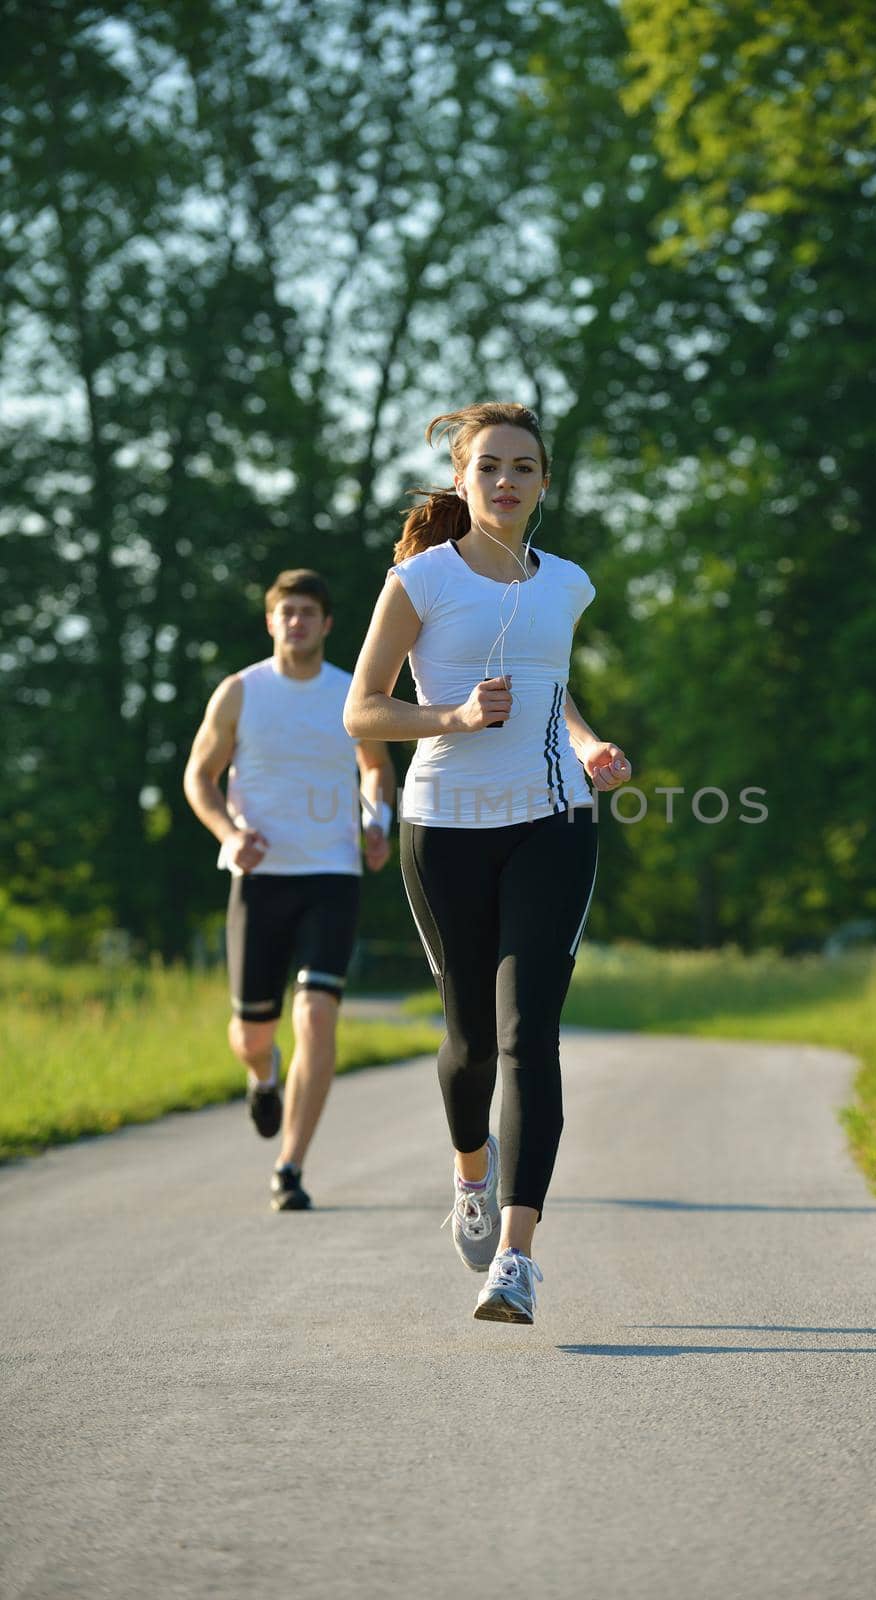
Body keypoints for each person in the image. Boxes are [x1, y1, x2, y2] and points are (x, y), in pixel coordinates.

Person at [343, 402, 631, 1324]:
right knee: (469, 1040)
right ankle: (471, 1170)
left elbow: (553, 686)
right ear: (462, 481)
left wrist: (586, 742)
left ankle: (515, 1258)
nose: (507, 480)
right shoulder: (419, 583)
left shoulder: (569, 585)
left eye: (526, 467)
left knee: (525, 1035)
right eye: (491, 466)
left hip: (555, 821)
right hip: (444, 825)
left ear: (544, 483)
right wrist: (457, 719)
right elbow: (362, 712)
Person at [183, 568, 395, 1212]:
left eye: (309, 612)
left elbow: (376, 768)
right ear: (271, 621)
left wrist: (377, 822)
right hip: (260, 878)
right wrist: (228, 832)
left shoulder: (351, 693)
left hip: (332, 873)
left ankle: (291, 1164)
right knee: (253, 1033)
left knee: (318, 1014)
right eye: (287, 612)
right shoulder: (239, 692)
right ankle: (264, 1076)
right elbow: (200, 776)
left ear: (327, 624)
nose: (297, 621)